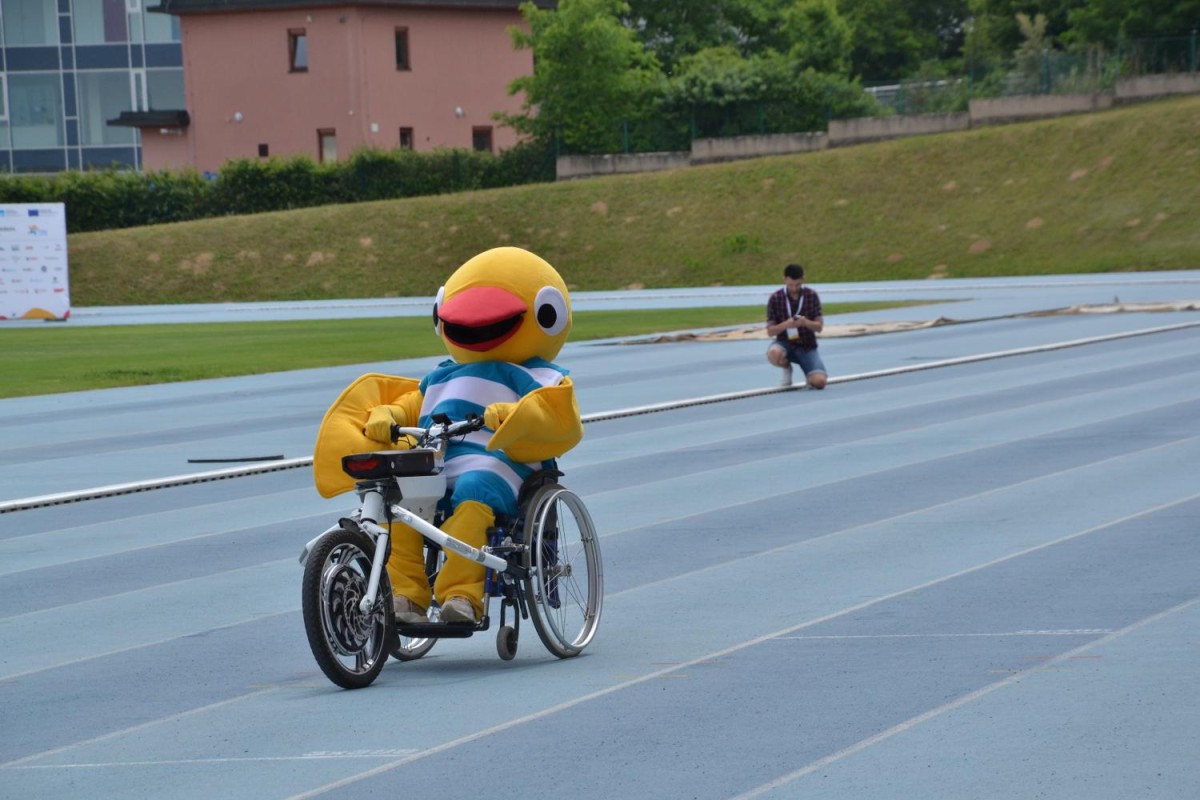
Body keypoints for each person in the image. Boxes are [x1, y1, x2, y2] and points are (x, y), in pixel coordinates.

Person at [312, 247, 584, 626]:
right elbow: (413, 404)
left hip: (500, 462)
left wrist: (515, 414)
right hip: (438, 462)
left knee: (474, 488)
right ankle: (405, 593)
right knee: (400, 501)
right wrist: (388, 414)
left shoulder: (536, 375)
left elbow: (549, 411)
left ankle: (461, 595)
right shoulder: (441, 376)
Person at [765, 263, 827, 389]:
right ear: (784, 279)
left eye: (797, 285)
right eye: (790, 285)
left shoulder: (811, 296)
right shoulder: (775, 298)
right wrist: (785, 324)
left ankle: (809, 373)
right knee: (773, 353)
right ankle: (786, 367)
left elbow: (819, 327)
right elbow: (770, 331)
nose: (794, 288)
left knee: (819, 382)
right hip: (785, 343)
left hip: (806, 346)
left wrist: (806, 322)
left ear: (803, 279)